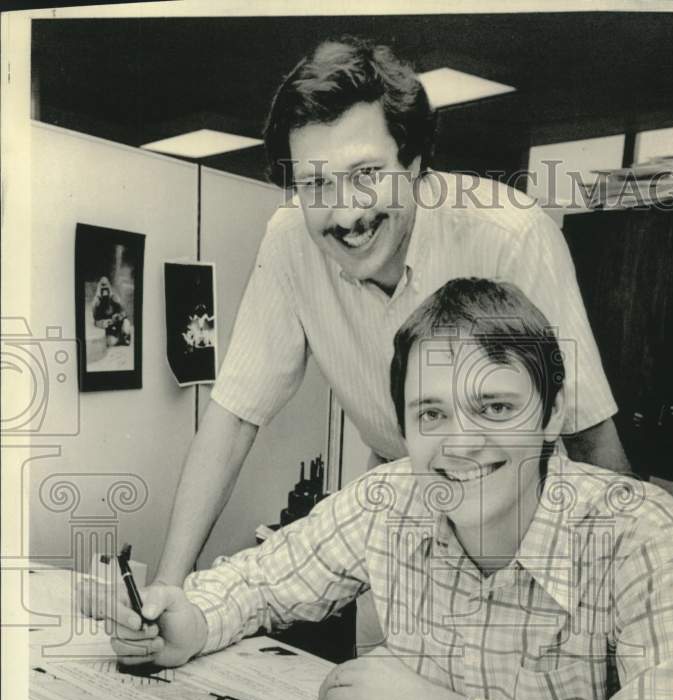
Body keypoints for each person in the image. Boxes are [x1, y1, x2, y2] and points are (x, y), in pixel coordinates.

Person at [103, 278, 673, 700]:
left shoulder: (644, 536)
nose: (461, 442)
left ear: (553, 414)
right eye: (432, 413)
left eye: (494, 407)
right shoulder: (390, 499)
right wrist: (192, 621)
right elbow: (260, 580)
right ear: (406, 429)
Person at [146, 36, 628, 591]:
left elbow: (589, 433)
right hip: (401, 503)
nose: (345, 213)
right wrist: (167, 584)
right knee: (373, 667)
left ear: (416, 164)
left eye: (366, 174)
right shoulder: (288, 242)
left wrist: (618, 595)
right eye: (316, 183)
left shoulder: (510, 234)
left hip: (526, 521)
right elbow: (232, 420)